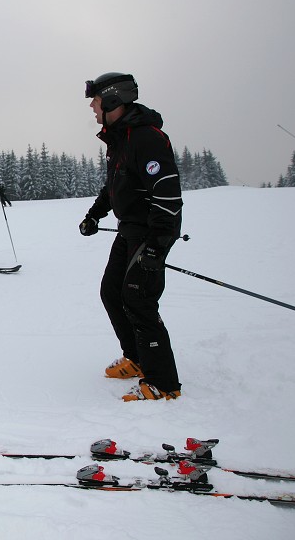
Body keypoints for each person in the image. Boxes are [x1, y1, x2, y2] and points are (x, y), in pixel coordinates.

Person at [79, 72, 183, 402]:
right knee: (112, 292)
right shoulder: (121, 140)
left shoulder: (146, 138)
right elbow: (116, 187)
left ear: (113, 101)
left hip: (150, 235)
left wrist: (159, 243)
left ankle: (164, 383)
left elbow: (167, 192)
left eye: (95, 103)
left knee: (138, 299)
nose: (93, 109)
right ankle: (138, 359)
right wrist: (95, 213)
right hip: (129, 232)